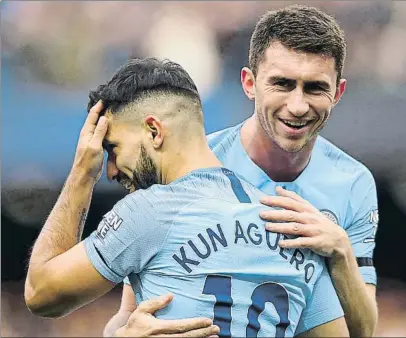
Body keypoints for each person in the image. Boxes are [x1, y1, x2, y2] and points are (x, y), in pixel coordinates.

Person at [24, 58, 348, 337]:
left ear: (154, 131)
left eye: (112, 149)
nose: (110, 170)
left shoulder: (149, 212)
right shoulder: (290, 222)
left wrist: (82, 174)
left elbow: (41, 294)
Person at [108, 4, 379, 338]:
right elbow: (125, 316)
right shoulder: (188, 166)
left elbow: (363, 331)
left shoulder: (353, 183)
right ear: (250, 83)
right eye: (282, 84)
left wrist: (340, 251)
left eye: (315, 88)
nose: (297, 106)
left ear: (337, 93)